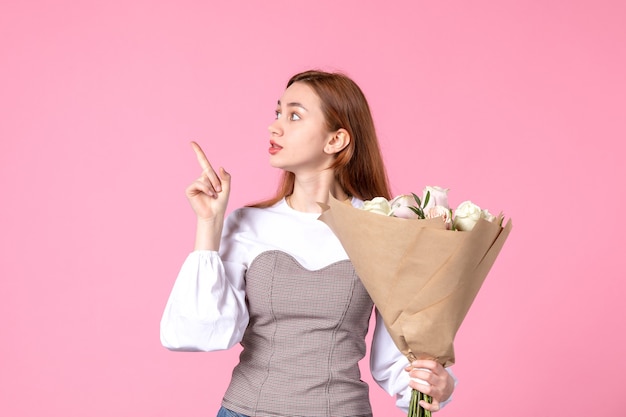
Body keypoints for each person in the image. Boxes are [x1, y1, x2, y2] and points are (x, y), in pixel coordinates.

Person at [160, 70, 456, 417]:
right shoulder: (247, 224)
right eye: (277, 113)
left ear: (336, 140)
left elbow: (400, 359)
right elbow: (200, 333)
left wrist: (439, 385)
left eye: (294, 116)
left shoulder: (382, 227)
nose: (275, 127)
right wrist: (209, 225)